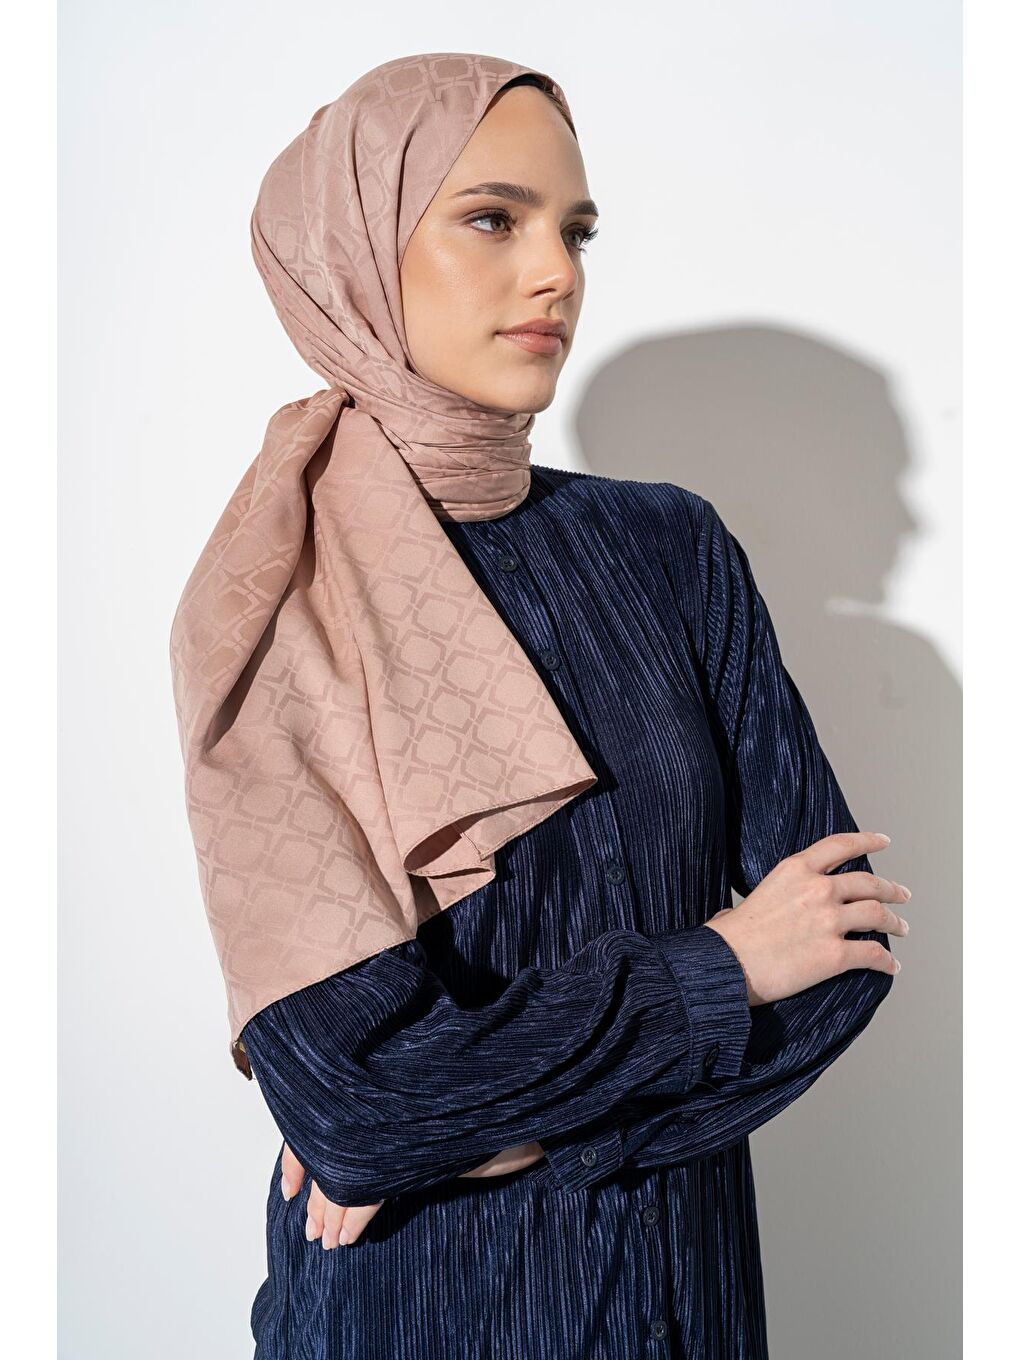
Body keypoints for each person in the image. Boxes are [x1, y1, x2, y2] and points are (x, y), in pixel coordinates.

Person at [169, 53, 909, 1360]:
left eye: (576, 231)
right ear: (357, 253)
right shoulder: (277, 596)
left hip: (686, 1292)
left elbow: (842, 950)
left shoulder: (670, 549)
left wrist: (480, 1128)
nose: (555, 272)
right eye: (491, 220)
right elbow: (354, 1105)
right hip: (421, 1309)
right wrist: (724, 970)